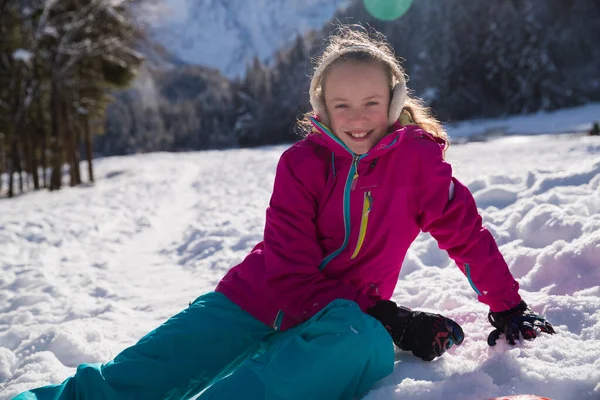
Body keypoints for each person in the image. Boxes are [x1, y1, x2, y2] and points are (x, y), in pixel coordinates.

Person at [14, 25, 555, 400]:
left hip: (343, 320)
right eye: (341, 105)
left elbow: (466, 233)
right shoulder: (301, 164)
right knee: (136, 378)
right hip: (255, 297)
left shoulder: (418, 164)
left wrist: (507, 306)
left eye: (370, 104)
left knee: (361, 341)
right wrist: (393, 316)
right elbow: (292, 273)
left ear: (392, 104)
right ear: (322, 108)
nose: (357, 118)